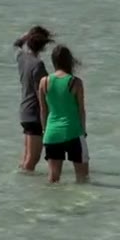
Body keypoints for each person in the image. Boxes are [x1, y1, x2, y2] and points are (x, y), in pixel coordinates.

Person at [38, 44, 89, 183]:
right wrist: (83, 131)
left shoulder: (44, 81)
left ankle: (51, 204)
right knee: (82, 178)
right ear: (69, 61)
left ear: (53, 61)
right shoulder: (75, 82)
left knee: (53, 179)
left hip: (52, 133)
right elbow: (81, 110)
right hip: (73, 132)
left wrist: (44, 130)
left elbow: (43, 110)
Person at [14, 26, 54, 172]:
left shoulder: (21, 57)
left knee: (26, 157)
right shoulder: (38, 65)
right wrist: (48, 119)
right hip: (35, 114)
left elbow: (16, 44)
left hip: (24, 112)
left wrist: (26, 35)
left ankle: (21, 182)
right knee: (32, 159)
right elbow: (42, 94)